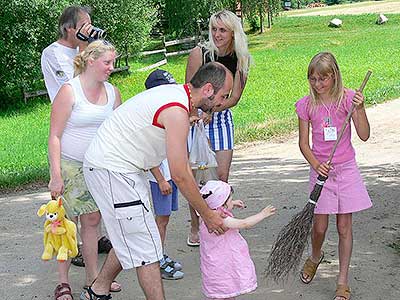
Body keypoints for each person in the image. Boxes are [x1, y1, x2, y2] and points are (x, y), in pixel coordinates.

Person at [82, 62, 233, 300]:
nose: (223, 103)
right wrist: (207, 215)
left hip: (123, 169)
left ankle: (98, 290)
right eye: (223, 96)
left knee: (136, 235)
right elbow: (181, 173)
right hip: (112, 169)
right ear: (207, 89)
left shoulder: (179, 101)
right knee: (147, 248)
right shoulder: (176, 110)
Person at [48, 40, 122, 300]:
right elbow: (54, 136)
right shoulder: (70, 91)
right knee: (64, 224)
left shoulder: (113, 92)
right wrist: (55, 175)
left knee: (92, 222)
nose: (111, 67)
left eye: (112, 62)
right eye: (107, 62)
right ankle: (63, 282)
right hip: (69, 165)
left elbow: (118, 133)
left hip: (97, 166)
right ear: (90, 61)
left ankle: (93, 279)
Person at [295, 52, 372, 300]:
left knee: (343, 226)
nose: (317, 84)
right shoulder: (306, 105)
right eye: (313, 79)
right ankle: (316, 256)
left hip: (346, 169)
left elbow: (364, 134)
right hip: (321, 172)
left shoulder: (350, 99)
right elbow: (303, 144)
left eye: (323, 79)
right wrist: (317, 165)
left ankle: (342, 281)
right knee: (319, 227)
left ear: (334, 76)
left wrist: (359, 109)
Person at [41, 5, 113, 268]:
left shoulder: (87, 50)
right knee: (72, 203)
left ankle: (95, 238)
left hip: (91, 136)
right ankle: (76, 247)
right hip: (69, 124)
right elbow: (73, 83)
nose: (88, 29)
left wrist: (92, 46)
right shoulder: (53, 53)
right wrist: (85, 49)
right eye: (84, 25)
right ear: (70, 28)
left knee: (93, 202)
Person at [185, 9, 251, 246]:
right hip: (195, 118)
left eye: (222, 30)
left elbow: (234, 97)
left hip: (220, 117)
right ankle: (196, 225)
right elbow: (189, 89)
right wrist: (198, 113)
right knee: (195, 176)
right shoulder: (199, 53)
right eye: (214, 29)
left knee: (221, 176)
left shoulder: (241, 58)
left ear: (233, 33)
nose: (217, 34)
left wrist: (213, 111)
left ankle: (222, 218)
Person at [199, 180, 276, 299]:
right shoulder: (222, 220)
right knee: (226, 293)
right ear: (222, 204)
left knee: (222, 294)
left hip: (213, 266)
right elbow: (244, 223)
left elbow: (216, 204)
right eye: (230, 199)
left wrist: (232, 203)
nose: (232, 200)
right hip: (224, 266)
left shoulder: (206, 216)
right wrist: (263, 214)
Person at [145, 69, 184, 280]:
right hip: (160, 178)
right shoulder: (154, 117)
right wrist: (160, 178)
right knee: (160, 220)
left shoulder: (169, 113)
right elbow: (149, 153)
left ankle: (159, 254)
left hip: (170, 174)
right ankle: (156, 259)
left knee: (165, 218)